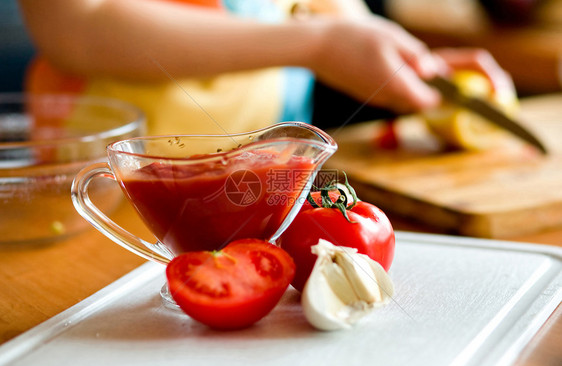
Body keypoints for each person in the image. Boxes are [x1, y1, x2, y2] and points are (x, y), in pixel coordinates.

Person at [17, 0, 514, 135]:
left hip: (261, 187)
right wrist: (318, 43)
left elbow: (330, 12)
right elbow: (77, 27)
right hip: (110, 195)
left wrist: (410, 61)